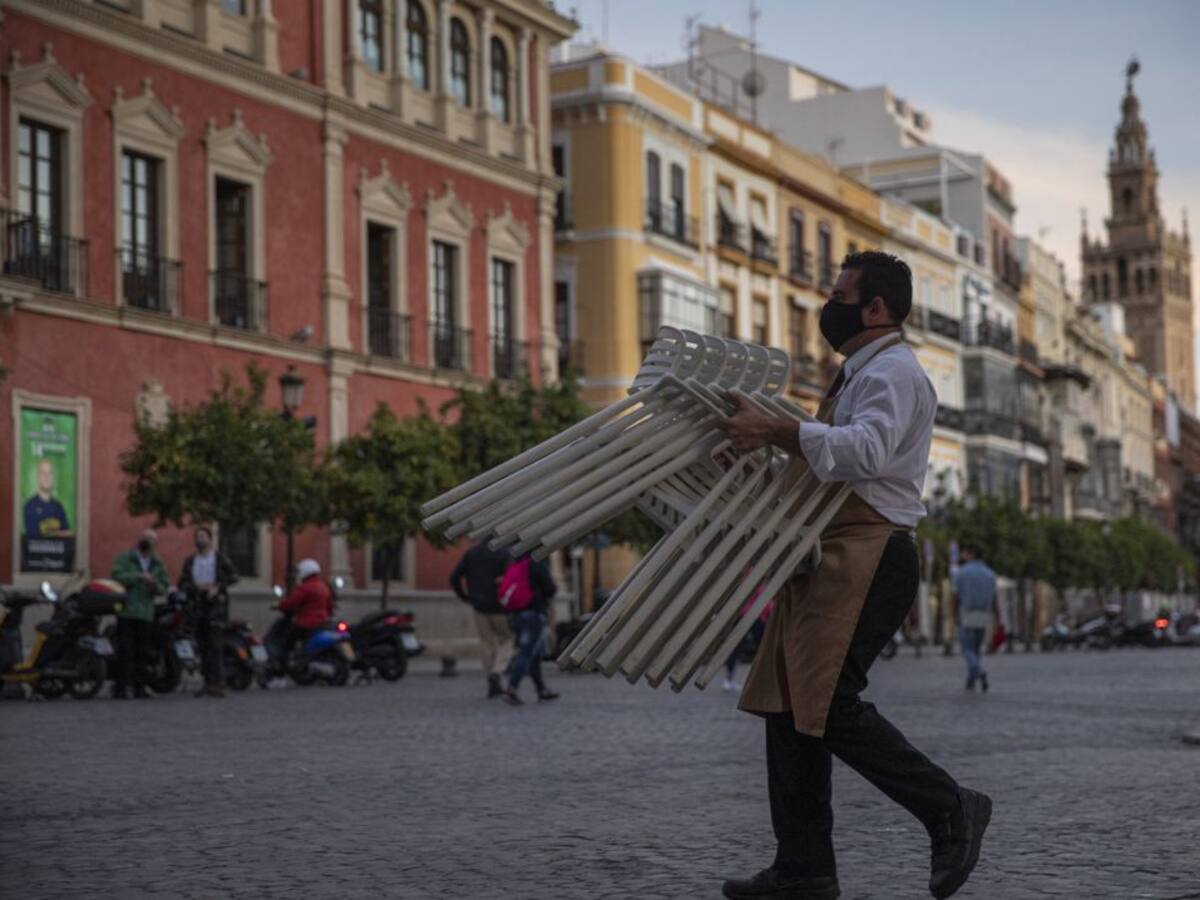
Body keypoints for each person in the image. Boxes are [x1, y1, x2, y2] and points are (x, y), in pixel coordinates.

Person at [716, 251, 991, 900]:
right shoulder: (859, 374)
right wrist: (764, 443)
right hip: (832, 550)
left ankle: (950, 807)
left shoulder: (893, 372)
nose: (828, 305)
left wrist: (782, 429)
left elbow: (864, 453)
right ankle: (803, 868)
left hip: (872, 553)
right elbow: (826, 458)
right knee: (788, 706)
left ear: (876, 308)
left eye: (841, 294)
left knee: (830, 703)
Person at [178, 526, 238, 698]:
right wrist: (195, 588)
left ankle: (218, 682)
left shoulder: (219, 558)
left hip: (215, 606)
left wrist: (218, 587)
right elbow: (183, 581)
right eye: (198, 536)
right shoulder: (190, 560)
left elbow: (233, 576)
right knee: (202, 645)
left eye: (203, 536)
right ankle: (207, 681)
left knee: (215, 645)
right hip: (197, 604)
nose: (200, 539)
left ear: (210, 539)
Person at [110, 528, 169, 699]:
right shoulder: (126, 557)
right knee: (125, 651)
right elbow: (116, 576)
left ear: (155, 544)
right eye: (145, 538)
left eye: (151, 539)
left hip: (146, 613)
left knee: (142, 652)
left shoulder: (158, 563)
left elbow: (164, 586)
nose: (147, 541)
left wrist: (155, 586)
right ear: (139, 540)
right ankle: (121, 687)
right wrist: (138, 576)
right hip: (127, 611)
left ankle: (139, 687)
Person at [450, 542, 514, 698]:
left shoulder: (471, 553)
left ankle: (491, 677)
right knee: (508, 639)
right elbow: (512, 577)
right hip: (500, 606)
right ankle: (497, 671)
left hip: (478, 605)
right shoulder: (504, 553)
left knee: (486, 641)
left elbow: (454, 577)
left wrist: (465, 596)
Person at [501, 554, 560, 705]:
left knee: (535, 654)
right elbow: (550, 590)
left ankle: (541, 689)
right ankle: (511, 689)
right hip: (533, 615)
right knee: (526, 652)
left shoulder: (515, 564)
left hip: (517, 616)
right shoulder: (537, 565)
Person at [273, 558, 333, 674]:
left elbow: (291, 603)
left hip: (306, 623)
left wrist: (281, 605)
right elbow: (329, 606)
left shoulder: (305, 588)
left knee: (286, 642)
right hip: (322, 622)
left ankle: (283, 666)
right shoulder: (323, 587)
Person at [951, 544, 998, 693]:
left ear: (970, 553)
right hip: (984, 614)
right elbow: (994, 599)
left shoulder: (961, 573)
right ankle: (971, 680)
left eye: (964, 552)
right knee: (976, 649)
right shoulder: (990, 574)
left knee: (968, 650)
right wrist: (997, 617)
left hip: (967, 613)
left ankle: (979, 673)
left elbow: (955, 596)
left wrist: (954, 614)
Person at [24, 459, 71, 537]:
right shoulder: (29, 506)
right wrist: (57, 533)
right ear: (38, 477)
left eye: (50, 473)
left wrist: (48, 533)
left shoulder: (59, 507)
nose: (47, 476)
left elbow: (67, 534)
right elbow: (34, 537)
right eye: (43, 473)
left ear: (53, 478)